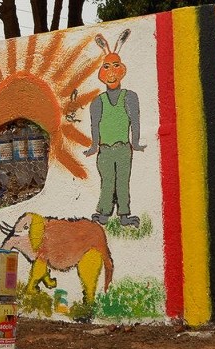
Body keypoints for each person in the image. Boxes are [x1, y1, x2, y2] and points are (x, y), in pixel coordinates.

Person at [84, 30, 145, 228]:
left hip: (123, 147)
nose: (111, 72)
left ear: (122, 70)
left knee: (122, 181)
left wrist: (135, 143)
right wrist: (94, 146)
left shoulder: (130, 97)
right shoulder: (97, 102)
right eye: (106, 67)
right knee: (107, 181)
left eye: (115, 66)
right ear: (102, 73)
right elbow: (95, 125)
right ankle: (104, 212)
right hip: (105, 149)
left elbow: (135, 121)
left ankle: (124, 214)